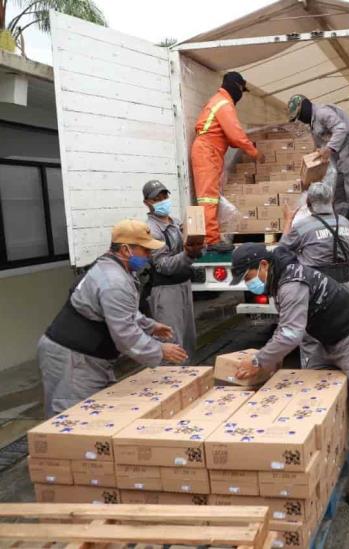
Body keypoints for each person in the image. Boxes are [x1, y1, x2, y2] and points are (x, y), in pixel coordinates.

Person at [229, 243, 349, 504]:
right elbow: (289, 327)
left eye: (248, 278)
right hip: (326, 338)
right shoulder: (280, 277)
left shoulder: (290, 282)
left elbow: (291, 334)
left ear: (262, 265)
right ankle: (327, 461)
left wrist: (259, 361)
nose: (249, 285)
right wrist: (275, 359)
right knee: (317, 398)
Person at [37, 220, 188, 417]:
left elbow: (123, 312)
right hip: (72, 358)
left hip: (89, 356)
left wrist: (150, 326)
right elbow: (125, 335)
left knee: (101, 415)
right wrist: (159, 349)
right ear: (126, 250)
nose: (149, 256)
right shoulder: (113, 280)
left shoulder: (116, 270)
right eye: (145, 250)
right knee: (74, 419)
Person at [279, 182, 349, 367]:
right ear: (331, 200)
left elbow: (281, 252)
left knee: (312, 337)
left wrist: (287, 221)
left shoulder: (302, 226)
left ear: (308, 203)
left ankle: (315, 381)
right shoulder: (344, 222)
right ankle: (342, 378)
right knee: (342, 332)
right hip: (345, 287)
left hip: (318, 289)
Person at [191, 72, 263, 252]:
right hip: (207, 151)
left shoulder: (220, 101)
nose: (241, 94)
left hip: (211, 151)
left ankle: (212, 236)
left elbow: (230, 138)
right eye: (241, 90)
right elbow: (236, 135)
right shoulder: (224, 104)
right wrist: (255, 152)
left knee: (211, 196)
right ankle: (212, 240)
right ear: (236, 86)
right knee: (208, 198)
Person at [288, 94, 349, 243]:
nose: (300, 120)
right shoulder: (313, 126)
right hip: (341, 157)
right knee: (339, 193)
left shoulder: (322, 112)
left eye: (299, 116)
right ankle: (341, 229)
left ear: (304, 107)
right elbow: (320, 148)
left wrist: (329, 148)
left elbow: (341, 129)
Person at [143, 180, 204, 359]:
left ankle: (192, 378)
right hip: (166, 290)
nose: (162, 201)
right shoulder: (151, 230)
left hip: (184, 284)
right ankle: (172, 382)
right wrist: (188, 254)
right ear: (147, 202)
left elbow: (193, 251)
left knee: (188, 338)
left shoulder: (177, 223)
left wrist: (199, 247)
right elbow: (163, 265)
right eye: (156, 199)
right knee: (172, 342)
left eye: (164, 196)